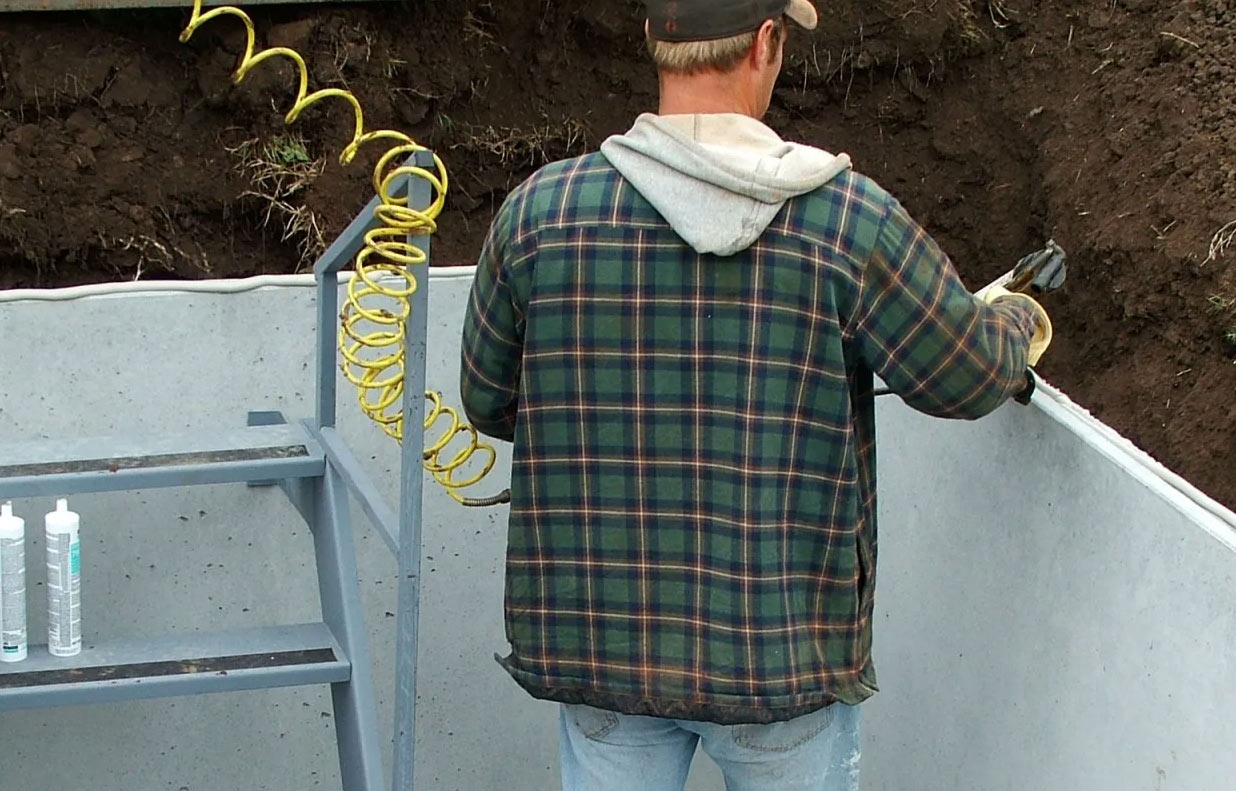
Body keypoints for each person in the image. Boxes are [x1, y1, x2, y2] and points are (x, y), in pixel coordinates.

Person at [460, 1, 1052, 788]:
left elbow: (491, 399)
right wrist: (1017, 316)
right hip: (779, 657)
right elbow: (968, 376)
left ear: (653, 40)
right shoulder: (847, 222)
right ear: (767, 42)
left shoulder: (541, 215)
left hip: (602, 647)